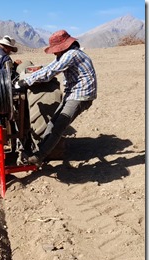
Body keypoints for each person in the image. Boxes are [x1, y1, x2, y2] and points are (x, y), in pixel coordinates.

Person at [17, 30, 97, 166]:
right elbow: (49, 67)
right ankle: (40, 150)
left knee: (58, 126)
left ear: (64, 46)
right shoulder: (69, 54)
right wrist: (30, 79)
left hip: (81, 95)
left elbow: (51, 72)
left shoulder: (72, 54)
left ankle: (38, 157)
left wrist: (25, 82)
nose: (54, 52)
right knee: (52, 123)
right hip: (72, 93)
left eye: (56, 50)